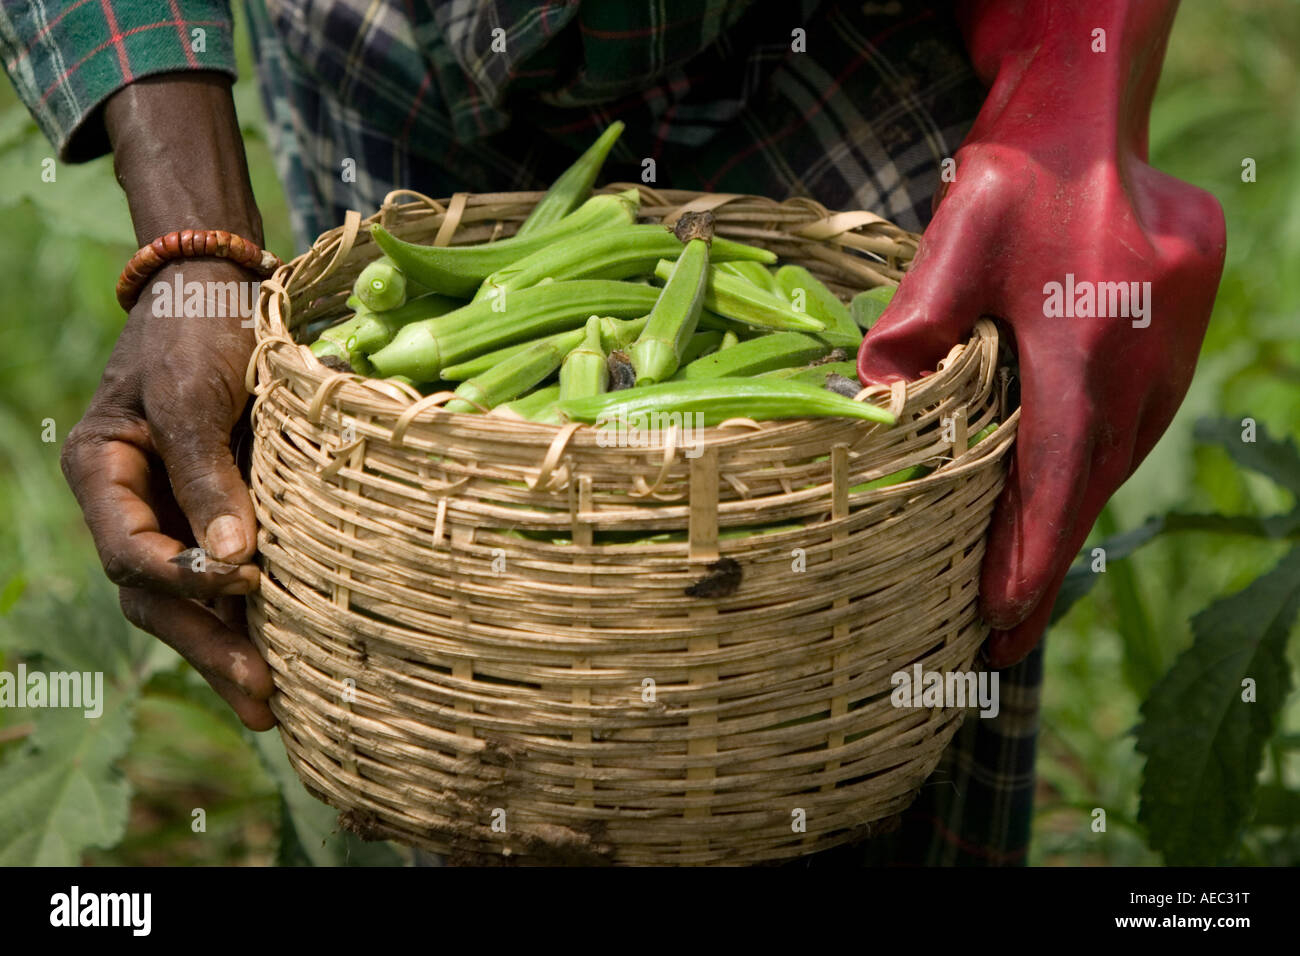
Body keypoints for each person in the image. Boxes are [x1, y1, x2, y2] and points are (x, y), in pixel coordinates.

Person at [0, 0, 1224, 865]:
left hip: (828, 63)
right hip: (381, 64)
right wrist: (197, 246)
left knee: (836, 668)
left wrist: (1073, 86)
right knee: (413, 690)